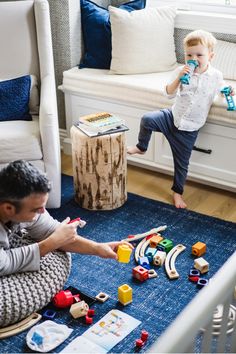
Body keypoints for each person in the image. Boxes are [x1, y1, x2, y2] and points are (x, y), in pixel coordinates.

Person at [127, 29, 235, 209]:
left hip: (189, 129)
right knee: (147, 119)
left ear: (211, 56)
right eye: (189, 55)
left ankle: (177, 193)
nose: (194, 58)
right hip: (172, 116)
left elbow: (223, 90)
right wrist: (179, 77)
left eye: (199, 55)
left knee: (182, 165)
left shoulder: (215, 76)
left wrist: (229, 91)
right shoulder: (181, 71)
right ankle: (141, 147)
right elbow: (169, 93)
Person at [0, 160, 133, 276]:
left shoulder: (26, 208)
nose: (42, 212)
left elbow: (50, 230)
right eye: (36, 209)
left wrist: (98, 248)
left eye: (43, 206)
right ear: (8, 208)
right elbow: (4, 264)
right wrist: (53, 242)